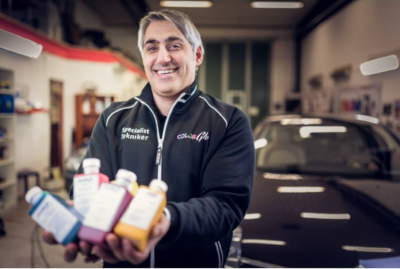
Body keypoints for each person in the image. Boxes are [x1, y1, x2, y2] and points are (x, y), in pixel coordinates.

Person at [43, 9, 255, 268]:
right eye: (151, 48)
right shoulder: (113, 119)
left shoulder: (227, 121)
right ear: (144, 58)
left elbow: (225, 205)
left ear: (197, 54)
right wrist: (85, 218)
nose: (163, 58)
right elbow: (88, 185)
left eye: (174, 45)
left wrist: (162, 219)